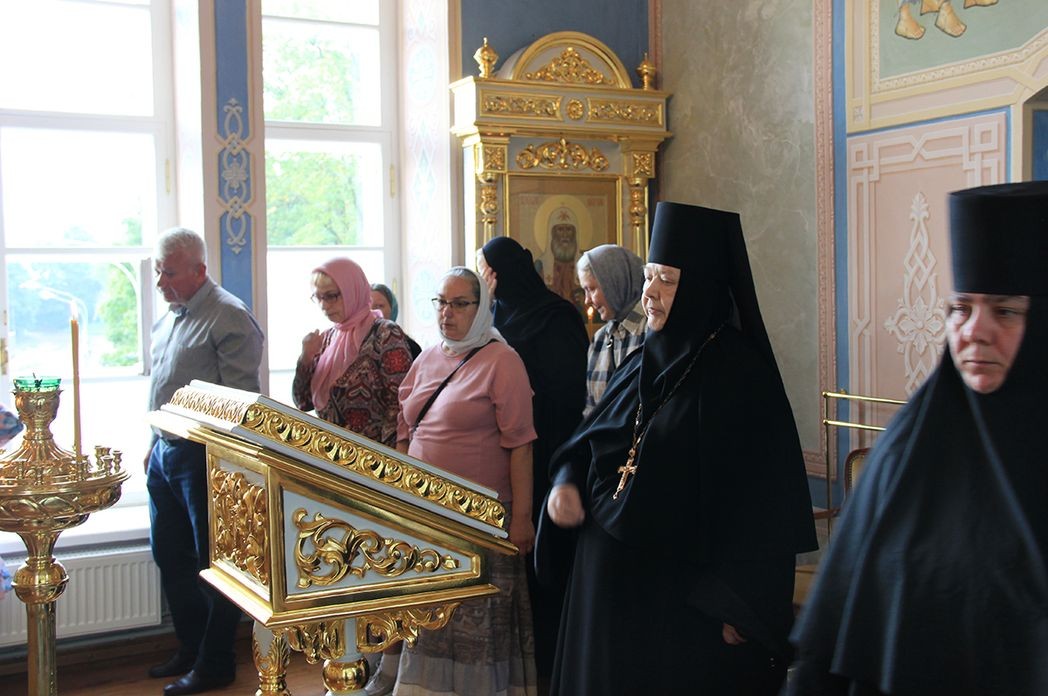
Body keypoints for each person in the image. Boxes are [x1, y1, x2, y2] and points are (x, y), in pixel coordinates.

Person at [541, 201, 817, 696]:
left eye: (666, 280)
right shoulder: (639, 362)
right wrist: (565, 483)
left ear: (702, 287)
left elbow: (762, 503)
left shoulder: (740, 377)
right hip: (603, 608)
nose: (649, 292)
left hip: (677, 617)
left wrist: (741, 603)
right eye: (648, 276)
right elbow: (589, 442)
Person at [787, 181, 1048, 696]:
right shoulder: (905, 453)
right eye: (960, 308)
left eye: (1005, 311)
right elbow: (834, 632)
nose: (974, 331)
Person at [389, 266, 537, 695]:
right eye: (440, 302)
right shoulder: (428, 357)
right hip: (426, 515)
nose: (446, 313)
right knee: (429, 617)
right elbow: (405, 428)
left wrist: (522, 519)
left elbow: (521, 445)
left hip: (482, 519)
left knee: (476, 621)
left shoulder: (502, 361)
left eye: (459, 304)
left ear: (481, 307)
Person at [146, 227, 264, 696]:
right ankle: (191, 648)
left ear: (200, 271)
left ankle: (216, 663)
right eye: (158, 272)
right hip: (164, 452)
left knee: (213, 564)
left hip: (203, 457)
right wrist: (152, 443)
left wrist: (223, 464)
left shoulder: (228, 315)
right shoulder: (170, 318)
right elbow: (163, 385)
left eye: (169, 273)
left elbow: (240, 402)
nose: (160, 282)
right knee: (169, 556)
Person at [477, 236, 588, 684]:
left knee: (543, 573)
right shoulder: (494, 316)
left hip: (548, 457)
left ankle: (549, 674)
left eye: (487, 271)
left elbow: (567, 395)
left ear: (506, 271)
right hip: (501, 462)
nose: (485, 279)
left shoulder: (557, 317)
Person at [292, 259, 413, 447]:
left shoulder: (385, 333)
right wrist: (305, 358)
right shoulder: (327, 339)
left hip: (375, 455)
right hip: (330, 453)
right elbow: (303, 402)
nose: (324, 305)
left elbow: (401, 402)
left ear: (352, 291)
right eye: (319, 297)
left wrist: (393, 455)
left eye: (331, 296)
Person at [575, 244, 647, 416]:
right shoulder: (600, 339)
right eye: (584, 291)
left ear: (614, 281)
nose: (587, 300)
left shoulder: (652, 330)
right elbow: (592, 410)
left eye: (591, 289)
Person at [370, 282, 423, 359]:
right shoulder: (356, 346)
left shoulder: (410, 347)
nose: (373, 311)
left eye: (379, 306)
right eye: (367, 307)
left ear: (392, 309)